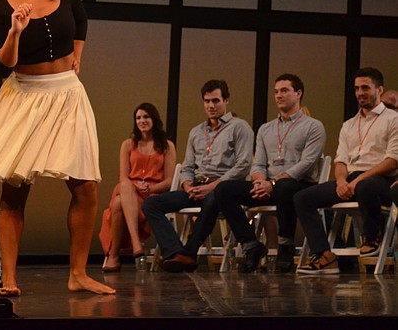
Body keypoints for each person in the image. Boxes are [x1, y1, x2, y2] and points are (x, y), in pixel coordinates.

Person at [0, 0, 114, 296]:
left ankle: (78, 274)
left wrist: (77, 55)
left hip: (66, 95)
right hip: (23, 98)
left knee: (86, 187)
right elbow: (0, 67)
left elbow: (80, 20)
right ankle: (10, 279)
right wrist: (15, 31)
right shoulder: (0, 9)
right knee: (15, 191)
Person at [213, 74, 326, 273]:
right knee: (224, 189)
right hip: (268, 186)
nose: (279, 95)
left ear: (298, 93)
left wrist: (271, 183)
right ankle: (251, 246)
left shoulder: (313, 126)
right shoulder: (266, 129)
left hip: (299, 185)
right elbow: (259, 164)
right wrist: (259, 182)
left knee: (284, 186)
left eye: (284, 91)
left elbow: (307, 164)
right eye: (276, 92)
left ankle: (285, 247)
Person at [294, 67, 398, 275]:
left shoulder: (392, 119)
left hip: (379, 180)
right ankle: (324, 255)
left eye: (365, 88)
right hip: (350, 181)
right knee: (302, 198)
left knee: (366, 185)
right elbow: (341, 160)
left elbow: (392, 160)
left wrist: (356, 182)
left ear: (379, 89)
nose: (360, 92)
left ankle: (371, 237)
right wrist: (342, 182)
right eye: (357, 88)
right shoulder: (349, 124)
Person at [142, 79, 253, 273]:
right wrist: (186, 184)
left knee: (213, 199)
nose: (211, 105)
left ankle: (188, 253)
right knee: (151, 204)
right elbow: (187, 166)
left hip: (222, 190)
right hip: (195, 188)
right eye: (207, 101)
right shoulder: (196, 132)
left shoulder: (239, 127)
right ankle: (175, 252)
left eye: (216, 101)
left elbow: (243, 165)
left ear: (226, 101)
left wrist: (212, 187)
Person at [99, 103, 175, 272]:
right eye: (138, 118)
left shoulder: (167, 146)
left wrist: (150, 189)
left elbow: (169, 181)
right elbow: (123, 177)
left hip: (152, 194)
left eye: (146, 117)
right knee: (125, 185)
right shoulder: (128, 144)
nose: (142, 121)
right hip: (130, 189)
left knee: (119, 203)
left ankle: (114, 256)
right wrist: (135, 186)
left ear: (154, 119)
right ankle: (135, 243)